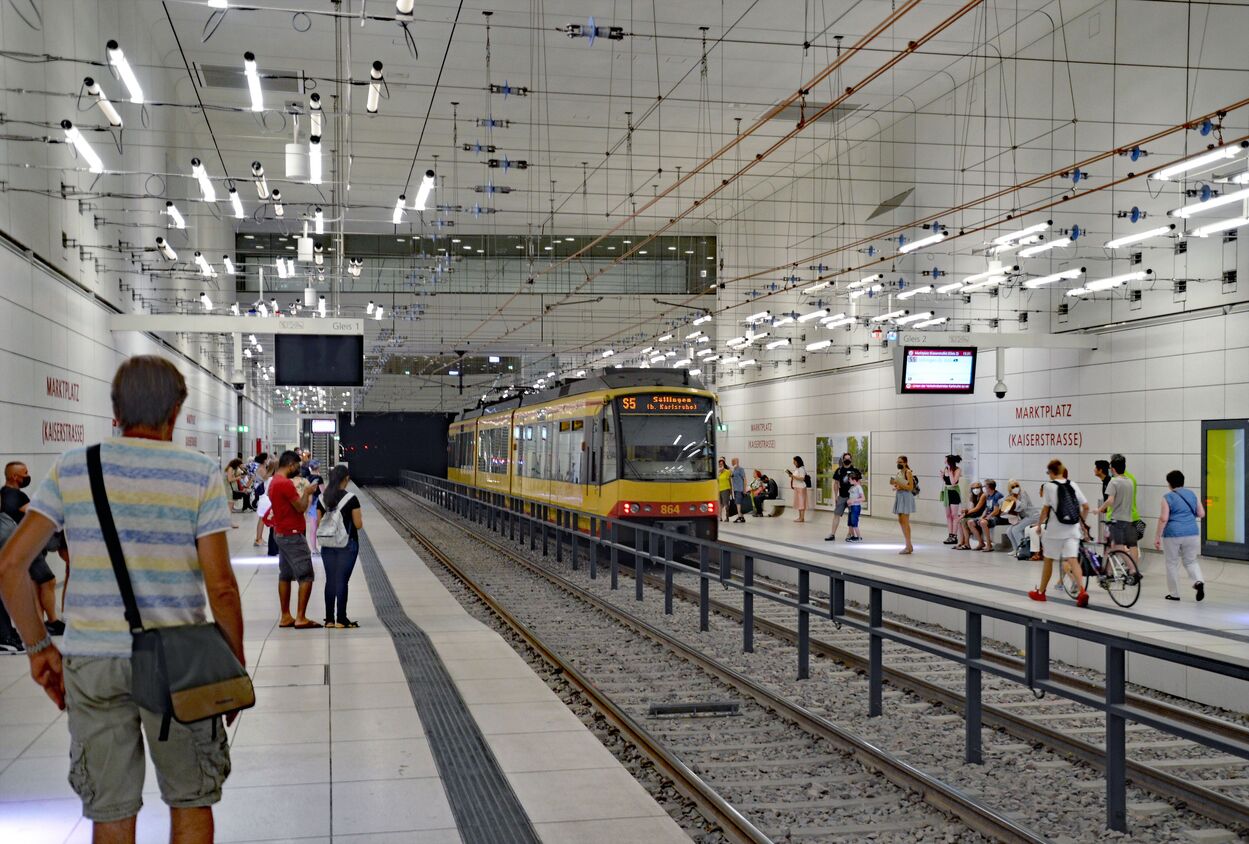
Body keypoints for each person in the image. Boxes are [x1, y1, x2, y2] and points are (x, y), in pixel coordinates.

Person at [0, 355, 244, 843]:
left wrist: (37, 647)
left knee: (110, 808)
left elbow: (10, 566)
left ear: (116, 411)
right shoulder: (199, 473)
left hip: (93, 660)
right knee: (191, 797)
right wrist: (231, 664)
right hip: (179, 662)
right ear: (175, 411)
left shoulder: (73, 467)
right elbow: (220, 585)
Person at [3, 461, 64, 635]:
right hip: (26, 548)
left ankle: (41, 623)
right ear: (14, 476)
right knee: (48, 581)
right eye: (25, 472)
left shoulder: (6, 494)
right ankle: (52, 622)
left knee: (38, 584)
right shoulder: (15, 496)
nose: (27, 475)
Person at [268, 450, 322, 628]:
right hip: (292, 534)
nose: (298, 470)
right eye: (297, 467)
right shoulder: (285, 484)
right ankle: (301, 618)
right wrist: (306, 492)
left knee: (285, 575)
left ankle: (285, 616)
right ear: (290, 465)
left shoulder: (274, 481)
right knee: (306, 575)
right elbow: (300, 508)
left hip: (281, 532)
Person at [1029, 459, 1091, 606]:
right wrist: (1081, 523)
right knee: (1073, 560)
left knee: (1048, 560)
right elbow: (1086, 506)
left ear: (1051, 472)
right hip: (1073, 530)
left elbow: (1045, 509)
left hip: (1055, 531)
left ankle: (1041, 593)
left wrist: (1039, 525)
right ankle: (1082, 591)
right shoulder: (1073, 484)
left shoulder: (1049, 486)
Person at [318, 465, 364, 627]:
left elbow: (319, 524)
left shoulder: (322, 498)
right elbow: (358, 525)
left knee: (330, 580)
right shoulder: (351, 498)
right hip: (347, 544)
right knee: (342, 581)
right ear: (346, 479)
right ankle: (341, 619)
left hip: (327, 544)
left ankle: (329, 619)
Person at [1155, 470, 1205, 602]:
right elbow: (1201, 513)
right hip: (1192, 532)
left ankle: (1174, 594)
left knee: (1172, 563)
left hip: (1173, 534)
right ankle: (1198, 581)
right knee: (1191, 561)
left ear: (1169, 483)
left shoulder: (1167, 497)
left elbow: (1164, 518)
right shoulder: (1192, 494)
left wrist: (1157, 537)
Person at [1099, 454, 1141, 579]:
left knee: (1117, 546)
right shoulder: (1131, 480)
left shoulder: (1114, 481)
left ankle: (1133, 570)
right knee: (1130, 545)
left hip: (1116, 518)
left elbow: (1110, 500)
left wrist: (1099, 509)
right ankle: (1109, 572)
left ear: (1112, 468)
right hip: (1130, 516)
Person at [825, 452, 856, 541]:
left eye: (848, 458)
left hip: (852, 498)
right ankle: (832, 534)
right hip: (841, 496)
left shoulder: (854, 471)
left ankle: (849, 534)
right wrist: (836, 496)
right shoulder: (839, 470)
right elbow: (836, 484)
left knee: (851, 515)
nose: (847, 460)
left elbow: (858, 484)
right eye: (845, 458)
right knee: (836, 515)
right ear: (842, 460)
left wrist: (856, 497)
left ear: (851, 460)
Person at [890, 455, 917, 554]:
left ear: (905, 463)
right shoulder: (898, 473)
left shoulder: (908, 472)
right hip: (900, 496)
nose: (898, 464)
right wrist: (896, 486)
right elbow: (900, 485)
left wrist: (899, 484)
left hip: (906, 497)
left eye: (900, 462)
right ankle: (909, 545)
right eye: (897, 462)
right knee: (901, 521)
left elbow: (910, 487)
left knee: (905, 522)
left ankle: (908, 545)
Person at [1004, 480, 1038, 554]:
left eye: (1017, 486)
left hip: (1032, 516)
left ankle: (1022, 550)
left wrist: (1015, 500)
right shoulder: (1010, 496)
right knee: (1009, 531)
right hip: (1024, 518)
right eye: (1013, 487)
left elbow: (1024, 506)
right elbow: (1005, 508)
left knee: (1016, 529)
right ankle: (1015, 549)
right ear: (1010, 488)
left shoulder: (1022, 493)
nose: (1016, 488)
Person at [954, 481, 988, 550]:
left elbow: (977, 508)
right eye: (974, 488)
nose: (976, 489)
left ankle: (967, 544)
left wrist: (965, 513)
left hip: (981, 514)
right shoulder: (973, 496)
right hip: (975, 514)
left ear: (981, 488)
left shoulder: (983, 495)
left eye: (978, 487)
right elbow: (971, 508)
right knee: (961, 519)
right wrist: (965, 511)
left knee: (963, 520)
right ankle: (962, 542)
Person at [974, 480, 1005, 552]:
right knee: (970, 522)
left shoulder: (997, 495)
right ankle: (981, 543)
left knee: (983, 523)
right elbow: (987, 509)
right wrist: (982, 517)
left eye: (985, 486)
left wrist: (987, 518)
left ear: (989, 487)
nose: (984, 488)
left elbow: (996, 511)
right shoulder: (988, 495)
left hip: (998, 517)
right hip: (990, 516)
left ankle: (989, 545)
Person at [940, 455, 963, 545]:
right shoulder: (946, 468)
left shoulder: (957, 470)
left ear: (950, 461)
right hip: (947, 492)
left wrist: (950, 472)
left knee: (954, 515)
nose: (944, 462)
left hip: (954, 492)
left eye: (946, 460)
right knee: (948, 515)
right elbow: (946, 482)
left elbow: (953, 482)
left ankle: (954, 536)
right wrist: (942, 476)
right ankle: (950, 535)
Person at [254, 456, 276, 547]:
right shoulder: (271, 478)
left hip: (263, 500)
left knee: (261, 520)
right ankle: (258, 539)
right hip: (267, 501)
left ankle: (259, 538)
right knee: (263, 520)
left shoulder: (268, 476)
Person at [306, 459, 324, 551]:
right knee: (315, 527)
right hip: (317, 503)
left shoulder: (307, 477)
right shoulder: (319, 478)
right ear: (318, 467)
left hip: (309, 502)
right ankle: (314, 549)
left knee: (312, 528)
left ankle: (313, 548)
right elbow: (323, 492)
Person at [1092, 459, 1112, 544]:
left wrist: (1099, 509)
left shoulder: (1109, 482)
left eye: (1095, 468)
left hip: (1114, 518)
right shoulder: (1106, 481)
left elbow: (1110, 500)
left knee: (1112, 544)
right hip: (1111, 516)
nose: (1094, 470)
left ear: (1100, 470)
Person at [786, 456, 809, 523]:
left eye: (794, 461)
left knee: (801, 503)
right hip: (797, 487)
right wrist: (791, 476)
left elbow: (802, 478)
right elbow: (796, 477)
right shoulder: (797, 468)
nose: (793, 462)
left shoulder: (801, 469)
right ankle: (800, 517)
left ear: (797, 461)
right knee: (799, 503)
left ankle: (802, 518)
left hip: (801, 488)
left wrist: (793, 476)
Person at [845, 470, 865, 542]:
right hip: (851, 507)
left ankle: (859, 537)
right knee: (850, 523)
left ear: (854, 480)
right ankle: (853, 536)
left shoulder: (858, 487)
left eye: (849, 479)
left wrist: (853, 501)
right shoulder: (852, 487)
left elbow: (863, 498)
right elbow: (851, 497)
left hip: (856, 507)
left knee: (854, 522)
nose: (849, 481)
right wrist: (849, 501)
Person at [730, 458, 748, 524]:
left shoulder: (741, 469)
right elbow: (731, 476)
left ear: (736, 462)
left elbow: (745, 479)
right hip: (735, 488)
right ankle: (741, 517)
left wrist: (744, 489)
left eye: (733, 461)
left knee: (738, 503)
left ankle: (739, 517)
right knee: (738, 503)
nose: (732, 463)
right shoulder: (734, 470)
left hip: (740, 489)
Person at [717, 458, 732, 522]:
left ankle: (727, 517)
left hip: (726, 489)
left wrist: (731, 490)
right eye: (719, 464)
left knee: (726, 504)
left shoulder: (727, 472)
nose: (720, 465)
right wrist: (719, 473)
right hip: (719, 490)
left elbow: (730, 480)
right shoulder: (718, 473)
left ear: (724, 464)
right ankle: (720, 517)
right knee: (720, 504)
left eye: (722, 464)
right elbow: (717, 482)